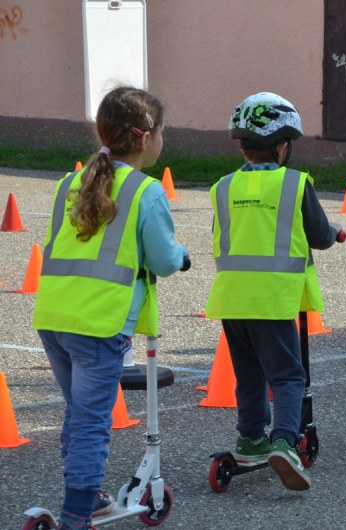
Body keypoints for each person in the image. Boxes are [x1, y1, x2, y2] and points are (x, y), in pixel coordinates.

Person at [32, 86, 189, 530]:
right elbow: (163, 259)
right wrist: (181, 256)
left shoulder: (70, 182)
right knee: (91, 424)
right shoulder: (145, 190)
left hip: (55, 315)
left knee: (78, 415)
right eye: (162, 133)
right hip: (99, 323)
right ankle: (76, 514)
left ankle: (91, 498)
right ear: (146, 137)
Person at [205, 92, 341, 491]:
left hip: (232, 298)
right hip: (274, 298)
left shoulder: (223, 187)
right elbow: (319, 235)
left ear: (243, 145)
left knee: (248, 374)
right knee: (287, 376)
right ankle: (283, 442)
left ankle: (250, 439)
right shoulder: (295, 184)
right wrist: (334, 233)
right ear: (282, 145)